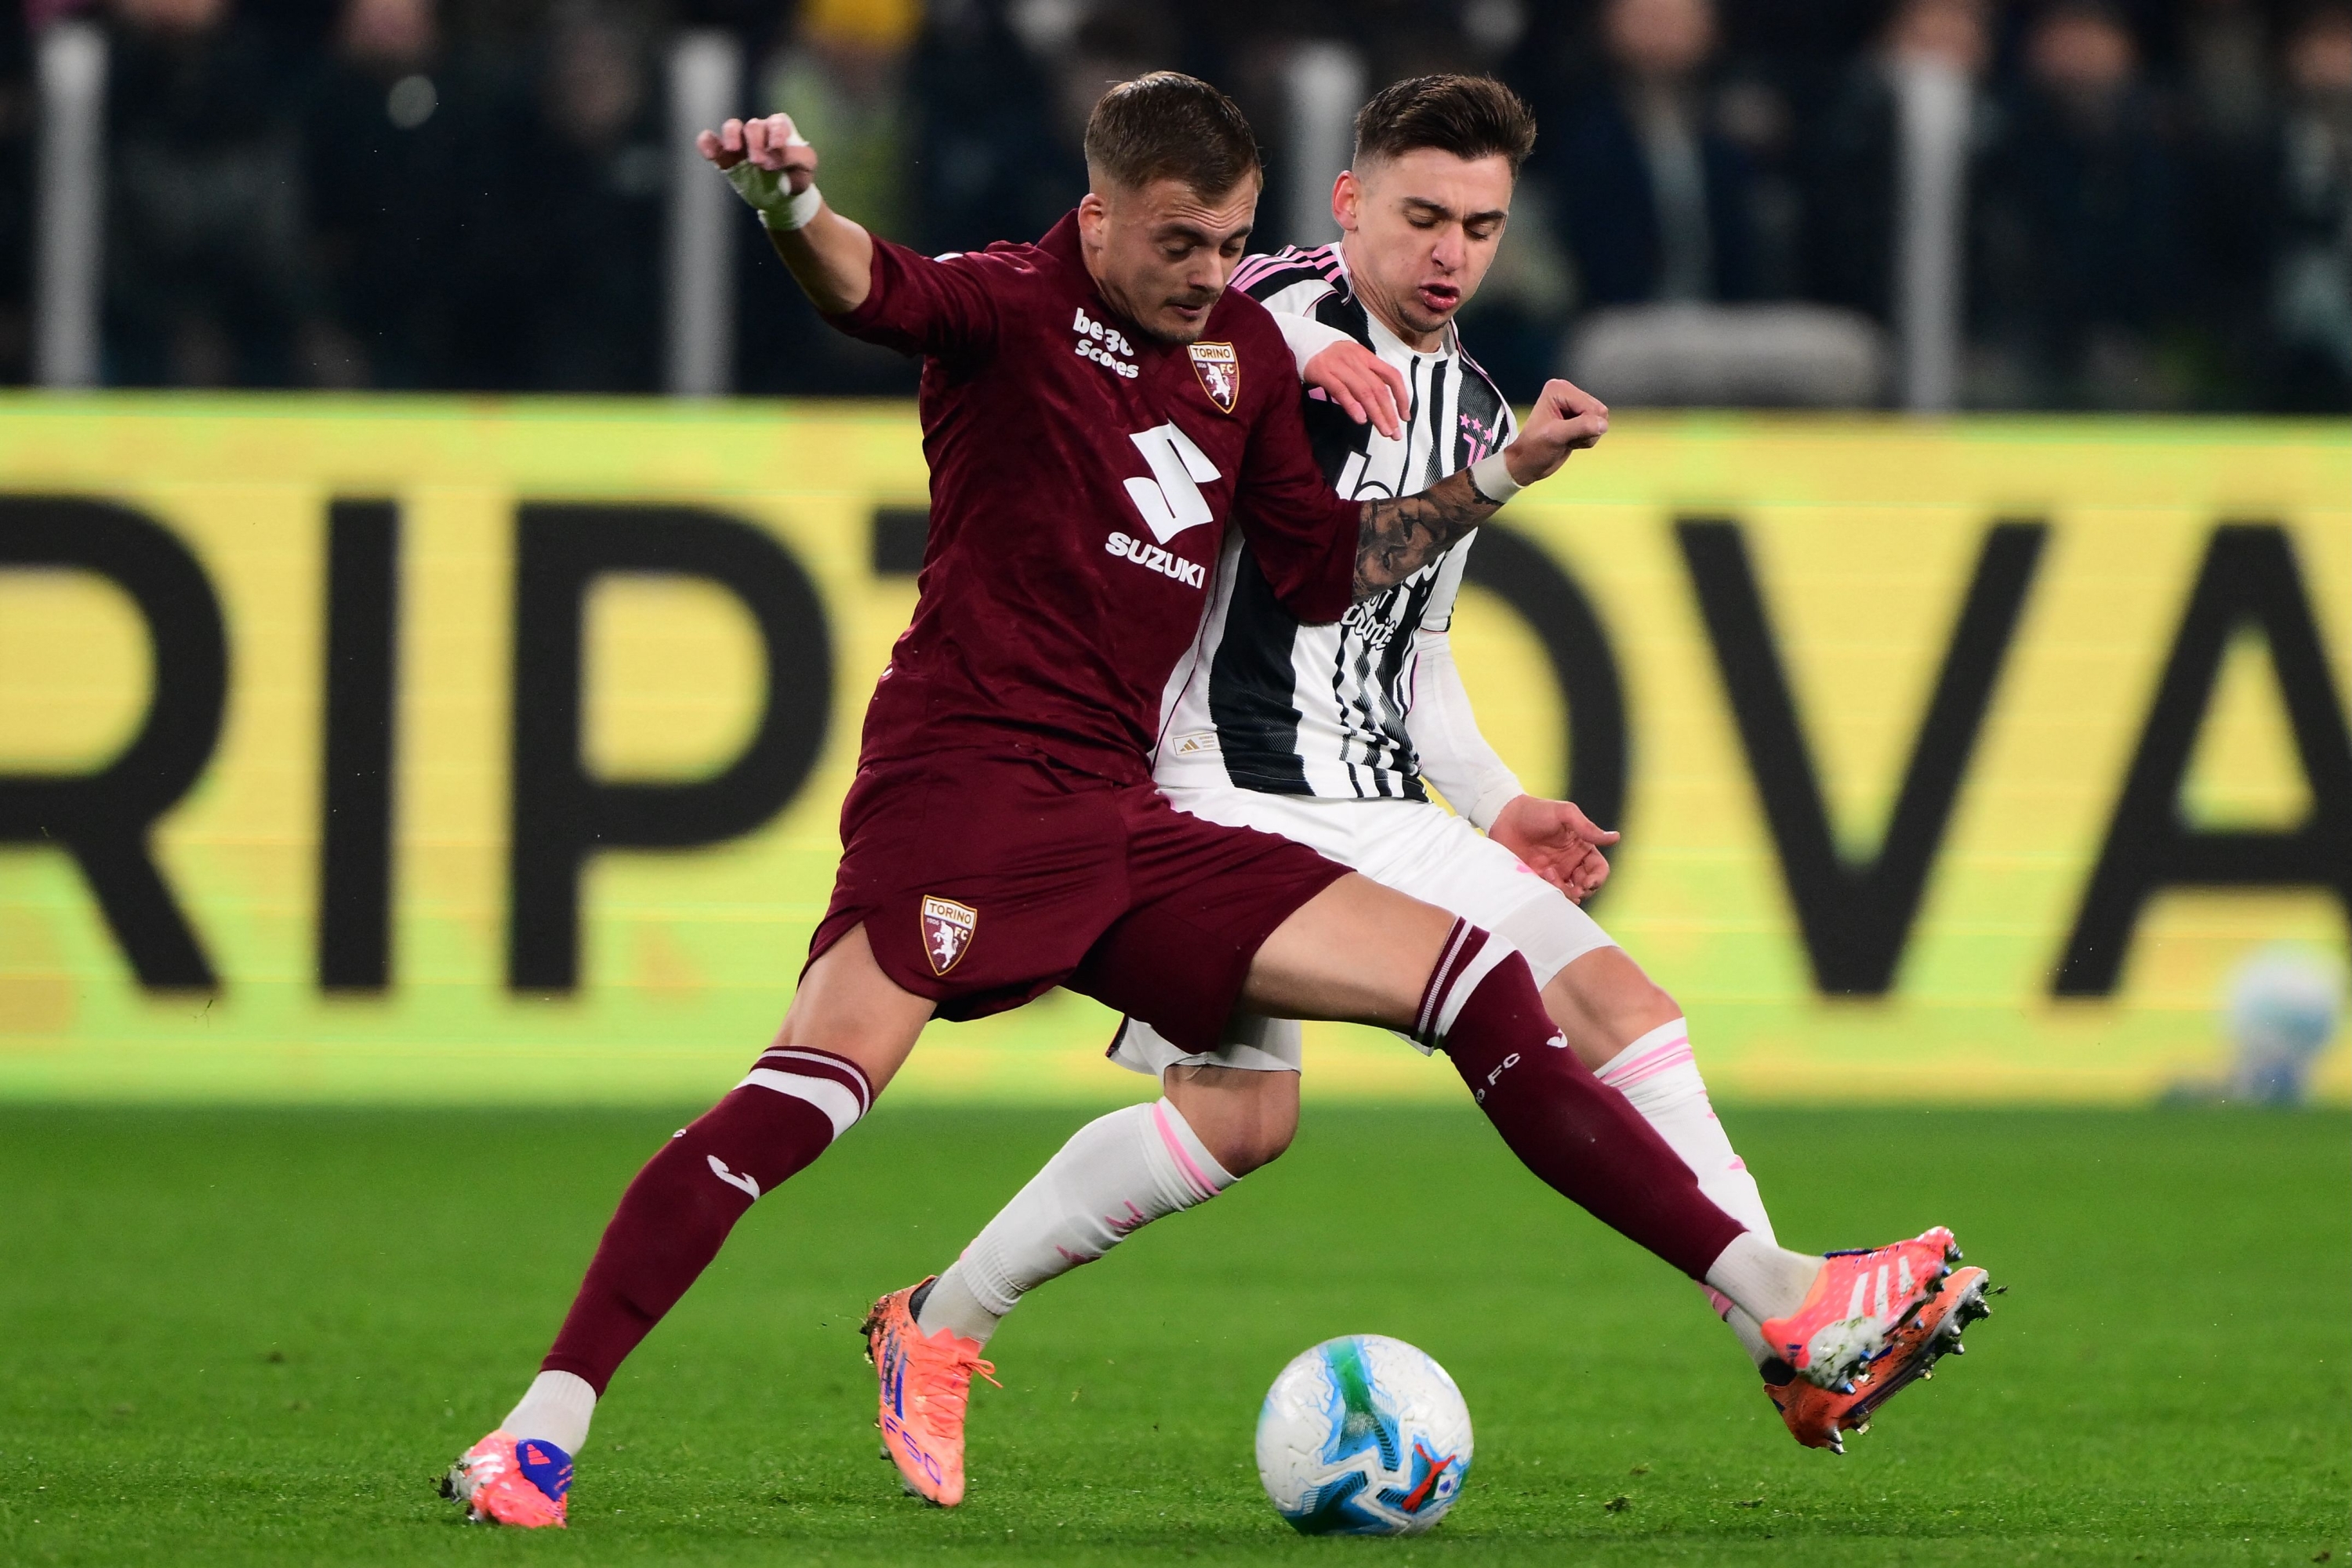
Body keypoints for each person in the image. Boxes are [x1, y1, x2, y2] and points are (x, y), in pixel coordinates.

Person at [441, 71, 1965, 1530]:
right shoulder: (1021, 306)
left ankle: (1783, 1301)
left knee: (1442, 1002)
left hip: (1127, 819)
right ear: (1098, 220)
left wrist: (1477, 487)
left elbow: (1333, 582)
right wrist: (789, 207)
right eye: (1181, 244)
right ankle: (543, 1430)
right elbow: (873, 287)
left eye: (1230, 247)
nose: (1211, 276)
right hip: (973, 793)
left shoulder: (1245, 356)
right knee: (805, 1100)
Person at [876, 71, 1993, 1481]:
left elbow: (1414, 648)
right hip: (1215, 780)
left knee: (1379, 1080)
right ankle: (1794, 1315)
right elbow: (1108, 354)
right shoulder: (1247, 318)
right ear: (1347, 203)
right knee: (1381, 1068)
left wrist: (1499, 797)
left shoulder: (1466, 392)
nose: (1451, 253)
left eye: (1481, 223)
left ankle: (935, 1320)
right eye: (1419, 217)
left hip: (1363, 789)